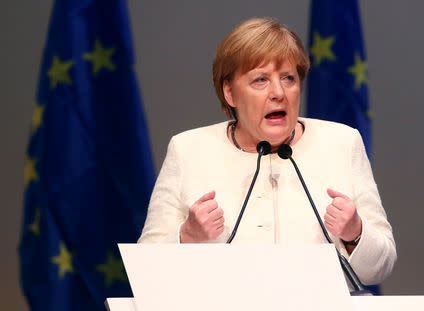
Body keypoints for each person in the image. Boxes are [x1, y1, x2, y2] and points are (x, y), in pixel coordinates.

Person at [138, 18, 396, 287]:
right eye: (260, 80)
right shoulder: (188, 150)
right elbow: (146, 273)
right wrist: (187, 235)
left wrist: (355, 232)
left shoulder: (341, 142)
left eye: (288, 78)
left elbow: (380, 268)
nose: (278, 93)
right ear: (230, 93)